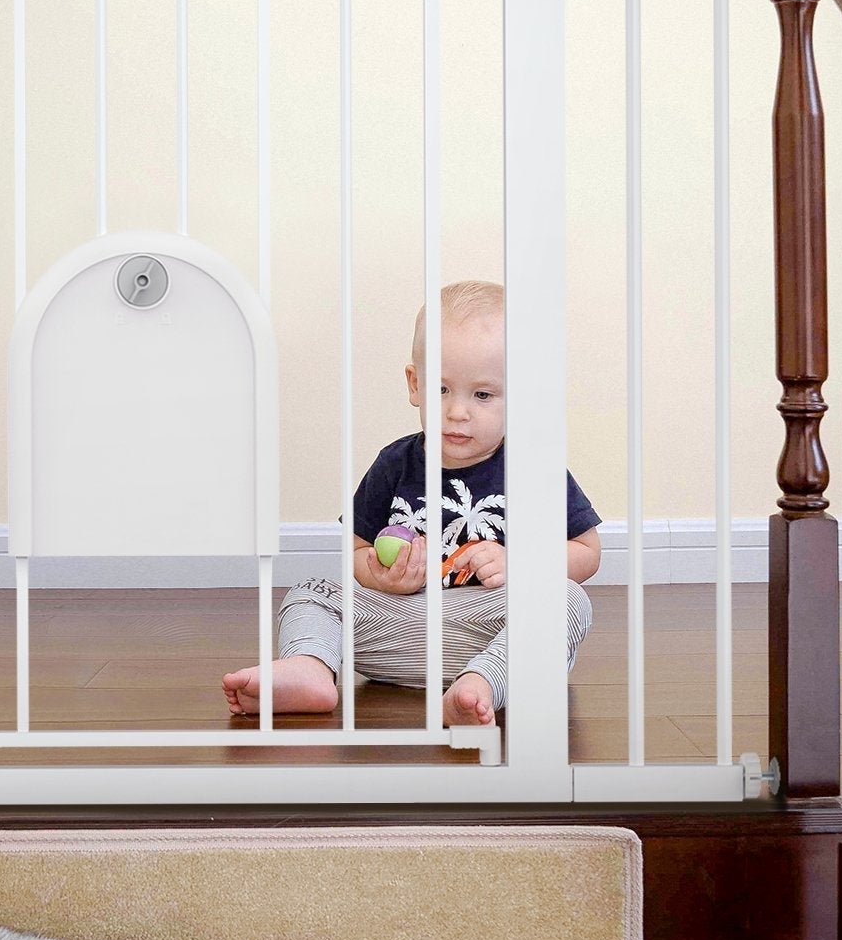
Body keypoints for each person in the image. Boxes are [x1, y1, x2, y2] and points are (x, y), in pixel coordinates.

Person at [221, 279, 601, 727]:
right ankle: (311, 668)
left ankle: (480, 685)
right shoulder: (394, 463)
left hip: (485, 627)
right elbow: (356, 549)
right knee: (312, 591)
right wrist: (379, 576)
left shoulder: (535, 469)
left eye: (482, 395)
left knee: (568, 600)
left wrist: (522, 564)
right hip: (396, 626)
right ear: (414, 384)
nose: (457, 412)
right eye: (441, 389)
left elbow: (587, 551)